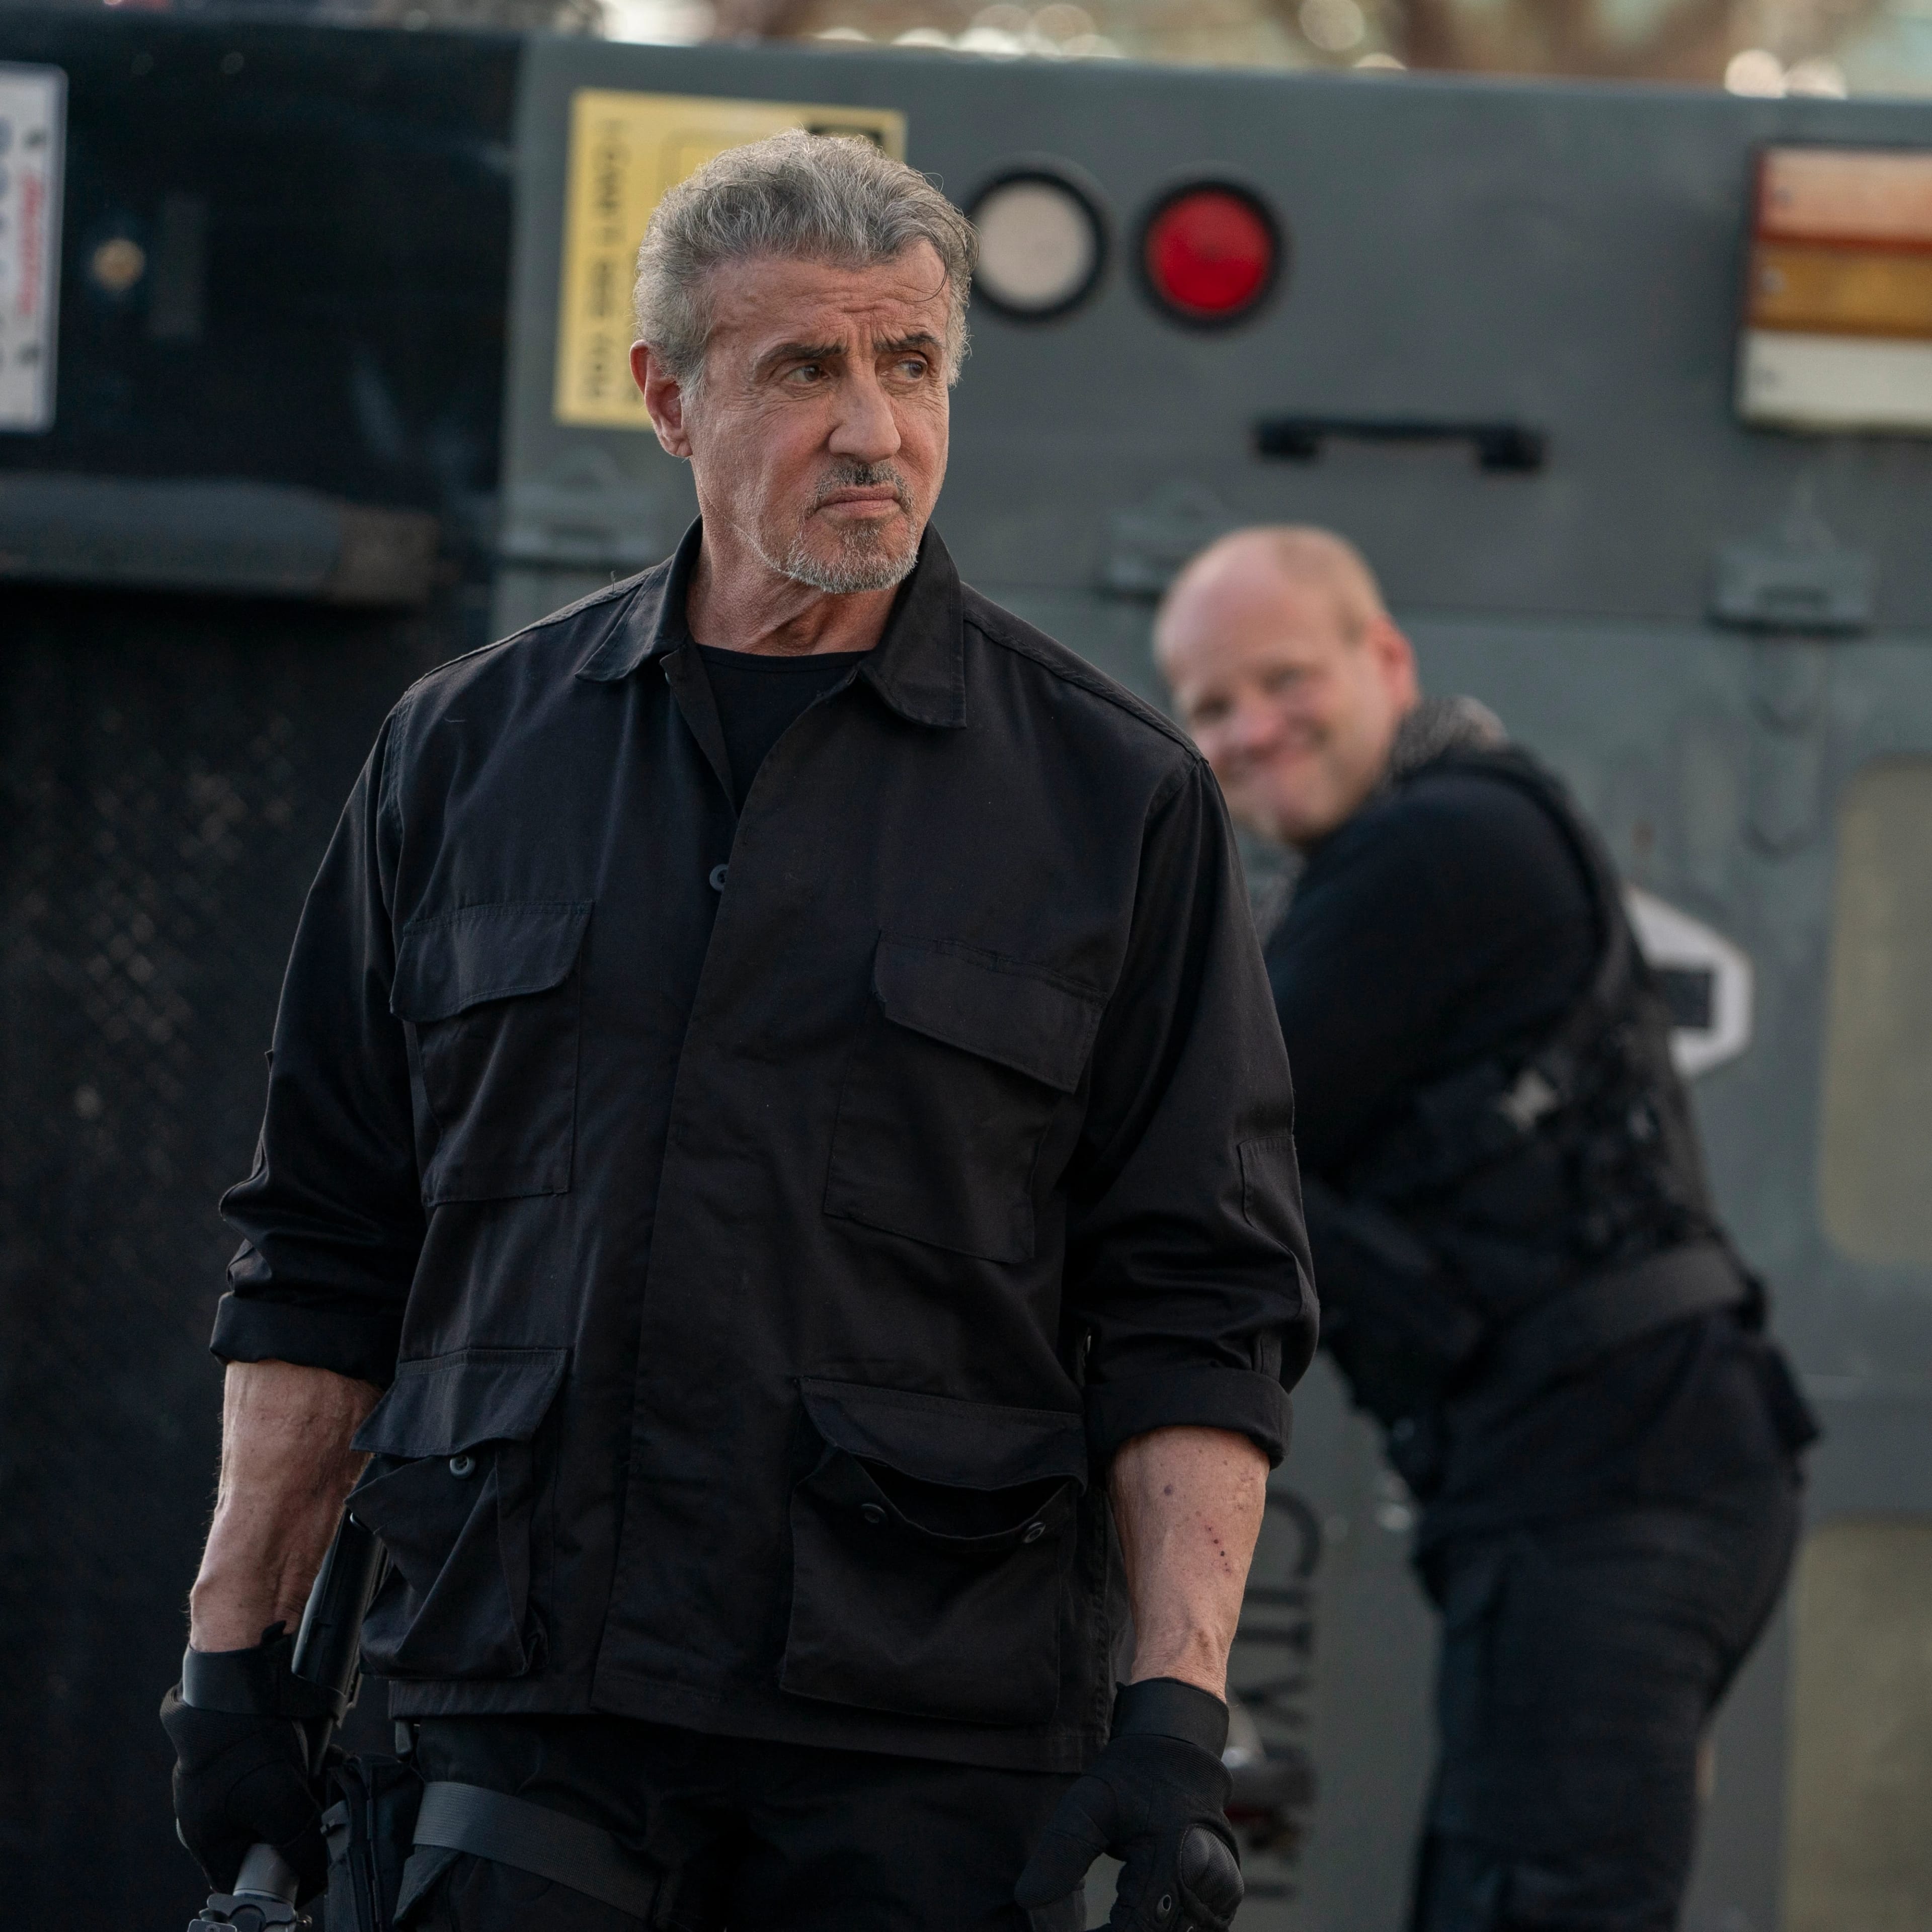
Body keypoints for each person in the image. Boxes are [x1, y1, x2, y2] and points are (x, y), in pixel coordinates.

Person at [157, 135, 1316, 1932]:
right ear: (668, 400)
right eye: (805, 369)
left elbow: (1199, 1304)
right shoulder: (464, 760)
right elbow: (323, 1238)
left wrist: (1173, 1715)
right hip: (518, 1704)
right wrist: (232, 1654)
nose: (873, 428)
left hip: (919, 1749)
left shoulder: (1115, 802)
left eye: (910, 365)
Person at [1155, 526, 1816, 1932]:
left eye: (1285, 678)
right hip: (1592, 1484)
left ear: (1384, 659)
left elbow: (1197, 1108)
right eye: (1213, 707)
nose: (1254, 729)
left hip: (1619, 1487)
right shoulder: (1394, 859)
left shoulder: (1445, 849)